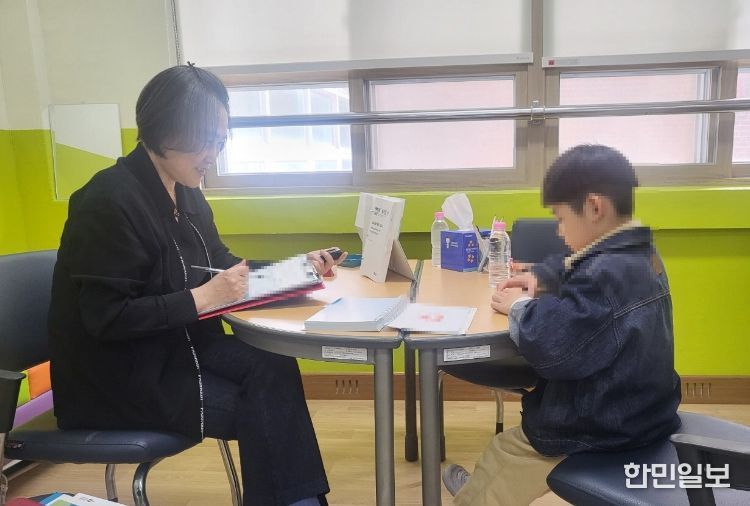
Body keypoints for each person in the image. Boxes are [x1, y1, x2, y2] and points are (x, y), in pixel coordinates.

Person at [48, 64, 344, 506]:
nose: (213, 155)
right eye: (204, 140)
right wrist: (201, 298)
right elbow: (106, 318)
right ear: (164, 129)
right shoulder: (107, 202)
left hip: (178, 349)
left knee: (274, 366)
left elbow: (219, 265)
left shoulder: (184, 190)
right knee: (264, 407)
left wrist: (293, 270)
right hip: (120, 379)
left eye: (220, 141)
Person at [442, 144, 682, 505]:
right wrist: (540, 276)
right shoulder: (637, 251)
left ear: (595, 208)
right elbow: (579, 264)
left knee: (506, 451)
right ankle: (479, 488)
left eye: (561, 218)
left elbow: (552, 345)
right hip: (644, 410)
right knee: (500, 453)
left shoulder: (606, 274)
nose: (558, 230)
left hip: (599, 425)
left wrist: (519, 306)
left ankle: (476, 497)